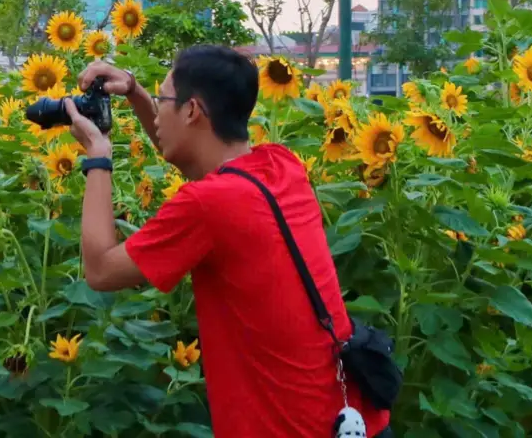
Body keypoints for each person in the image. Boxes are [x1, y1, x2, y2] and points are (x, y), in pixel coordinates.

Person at [63, 45, 391, 437]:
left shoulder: (208, 205)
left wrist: (98, 155)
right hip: (351, 422)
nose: (158, 109)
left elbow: (99, 269)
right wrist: (134, 91)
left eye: (164, 97)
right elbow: (189, 156)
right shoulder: (281, 166)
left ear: (191, 111)